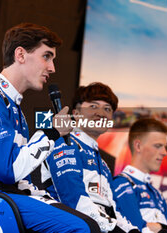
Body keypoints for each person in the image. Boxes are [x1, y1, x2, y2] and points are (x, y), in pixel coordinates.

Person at [0, 22, 101, 232]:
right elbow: (9, 171)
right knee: (82, 228)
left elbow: (18, 176)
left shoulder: (13, 107)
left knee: (91, 224)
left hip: (4, 194)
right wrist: (52, 132)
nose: (52, 68)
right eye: (46, 56)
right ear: (20, 55)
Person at [40, 82, 140, 233]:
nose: (101, 113)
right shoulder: (64, 141)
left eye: (107, 109)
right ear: (76, 113)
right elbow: (74, 200)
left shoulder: (104, 164)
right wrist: (113, 228)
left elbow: (112, 210)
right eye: (93, 106)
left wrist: (131, 230)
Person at [113, 118, 167, 233]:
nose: (164, 152)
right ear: (138, 146)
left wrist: (160, 228)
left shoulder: (157, 193)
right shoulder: (122, 183)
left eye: (165, 146)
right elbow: (138, 229)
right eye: (158, 146)